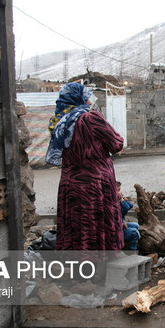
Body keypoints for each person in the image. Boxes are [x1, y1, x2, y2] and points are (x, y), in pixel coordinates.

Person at [46, 82, 124, 251]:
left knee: (75, 224)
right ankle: (99, 268)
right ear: (78, 98)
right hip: (95, 183)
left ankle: (78, 268)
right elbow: (117, 143)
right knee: (95, 223)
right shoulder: (90, 118)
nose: (90, 100)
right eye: (87, 96)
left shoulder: (59, 122)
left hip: (69, 183)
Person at [117, 181, 140, 251]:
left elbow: (130, 206)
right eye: (118, 190)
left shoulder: (118, 200)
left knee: (136, 225)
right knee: (134, 232)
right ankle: (132, 251)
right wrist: (122, 221)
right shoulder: (112, 203)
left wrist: (122, 199)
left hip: (120, 224)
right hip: (117, 227)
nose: (120, 192)